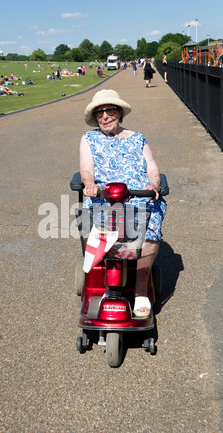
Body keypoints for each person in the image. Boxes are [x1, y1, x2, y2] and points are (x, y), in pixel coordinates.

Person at [80, 89, 166, 318]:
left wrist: (154, 185)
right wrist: (89, 184)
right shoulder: (89, 138)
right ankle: (105, 279)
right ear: (95, 117)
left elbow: (152, 166)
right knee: (99, 218)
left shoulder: (137, 137)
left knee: (151, 220)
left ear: (119, 113)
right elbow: (86, 169)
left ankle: (139, 291)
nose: (105, 116)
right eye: (100, 113)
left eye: (110, 110)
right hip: (105, 197)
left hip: (139, 196)